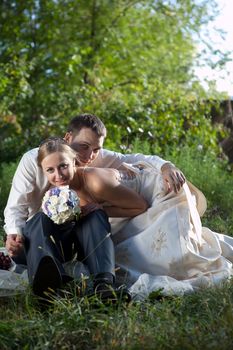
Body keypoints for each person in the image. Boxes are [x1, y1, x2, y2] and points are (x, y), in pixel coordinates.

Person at [38, 137, 233, 298]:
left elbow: (140, 206)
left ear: (74, 162)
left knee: (173, 254)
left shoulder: (96, 182)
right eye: (51, 170)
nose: (58, 175)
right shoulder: (58, 191)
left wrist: (99, 210)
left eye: (63, 167)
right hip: (129, 204)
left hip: (158, 193)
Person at [4, 113, 185, 260]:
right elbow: (16, 206)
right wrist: (14, 234)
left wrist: (166, 166)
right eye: (84, 146)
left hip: (76, 230)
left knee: (95, 218)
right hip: (39, 230)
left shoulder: (96, 158)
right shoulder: (33, 160)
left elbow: (134, 158)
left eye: (96, 149)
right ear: (68, 137)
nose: (90, 155)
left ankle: (101, 279)